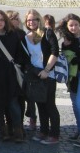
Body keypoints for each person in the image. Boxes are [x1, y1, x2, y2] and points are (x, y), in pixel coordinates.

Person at [0, 10, 28, 143]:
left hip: (10, 75)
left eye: (1, 20)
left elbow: (20, 54)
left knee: (13, 104)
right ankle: (3, 131)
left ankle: (18, 131)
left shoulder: (13, 35)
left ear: (5, 21)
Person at [57, 13, 80, 148]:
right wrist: (66, 46)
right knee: (74, 103)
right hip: (73, 74)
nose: (74, 28)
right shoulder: (68, 39)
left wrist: (75, 60)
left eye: (76, 25)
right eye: (71, 25)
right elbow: (65, 55)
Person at [25, 9, 60, 145]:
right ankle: (43, 131)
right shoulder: (27, 36)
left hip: (48, 74)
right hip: (35, 74)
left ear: (39, 20)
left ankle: (54, 134)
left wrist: (46, 70)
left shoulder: (47, 33)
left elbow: (54, 52)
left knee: (50, 105)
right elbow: (27, 57)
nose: (31, 22)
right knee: (40, 104)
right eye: (29, 20)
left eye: (34, 19)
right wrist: (34, 71)